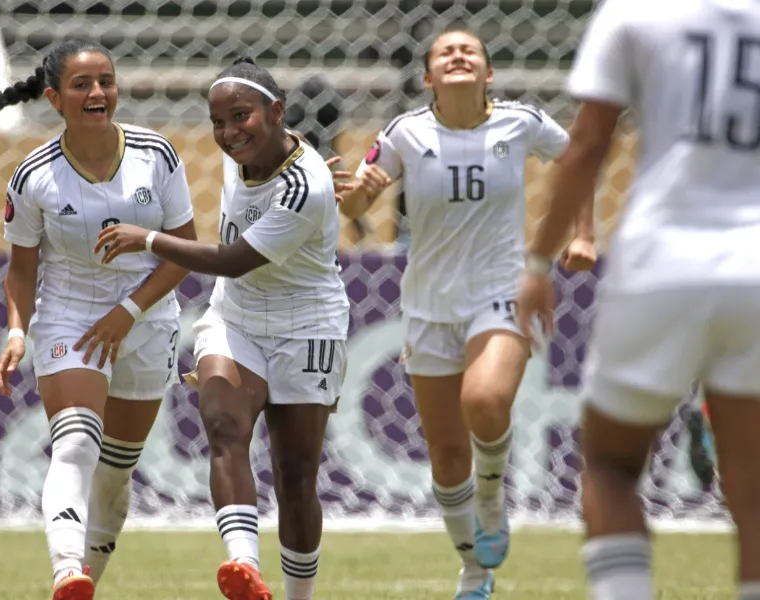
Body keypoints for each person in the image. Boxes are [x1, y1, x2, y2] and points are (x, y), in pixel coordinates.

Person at [338, 24, 597, 599]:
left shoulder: (521, 122)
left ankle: (492, 496)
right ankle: (474, 571)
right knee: (447, 453)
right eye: (445, 52)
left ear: (488, 72)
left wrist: (584, 235)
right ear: (428, 76)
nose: (458, 56)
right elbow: (355, 196)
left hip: (501, 290)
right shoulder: (404, 133)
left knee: (484, 401)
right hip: (430, 305)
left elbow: (579, 161)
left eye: (470, 50)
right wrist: (361, 192)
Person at [515, 0, 760, 598]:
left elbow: (588, 144)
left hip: (663, 261)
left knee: (610, 465)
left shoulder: (633, 14)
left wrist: (538, 261)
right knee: (754, 494)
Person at [0, 39, 198, 600]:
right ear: (55, 98)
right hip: (71, 319)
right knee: (76, 442)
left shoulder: (157, 155)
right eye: (82, 85)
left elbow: (186, 249)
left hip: (147, 316)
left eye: (105, 81)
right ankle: (67, 571)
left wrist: (129, 313)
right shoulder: (33, 176)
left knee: (115, 476)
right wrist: (16, 332)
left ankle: (82, 586)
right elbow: (21, 271)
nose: (97, 93)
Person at [96, 57, 351, 600]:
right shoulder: (264, 149)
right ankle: (244, 568)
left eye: (241, 117)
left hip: (308, 328)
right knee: (224, 427)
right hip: (234, 317)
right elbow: (235, 277)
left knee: (296, 474)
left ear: (275, 112)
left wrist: (149, 239)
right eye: (218, 122)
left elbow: (233, 258)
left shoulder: (307, 186)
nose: (230, 133)